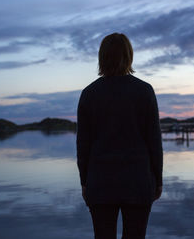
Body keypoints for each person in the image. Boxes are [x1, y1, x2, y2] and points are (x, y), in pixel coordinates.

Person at [76, 33, 163, 239]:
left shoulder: (89, 93)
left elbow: (83, 145)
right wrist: (158, 180)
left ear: (102, 57)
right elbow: (154, 141)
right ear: (129, 56)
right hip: (138, 181)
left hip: (100, 182)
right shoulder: (144, 91)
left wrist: (85, 181)